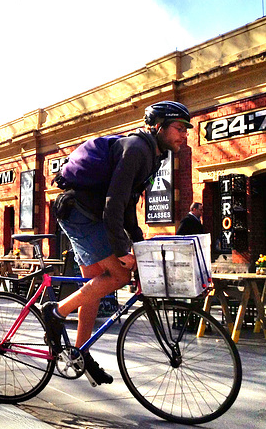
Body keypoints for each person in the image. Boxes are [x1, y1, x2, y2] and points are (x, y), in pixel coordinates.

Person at [44, 101, 193, 386]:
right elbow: (114, 204)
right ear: (159, 127)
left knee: (93, 285)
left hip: (90, 214)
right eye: (178, 127)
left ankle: (80, 352)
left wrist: (138, 244)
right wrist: (123, 251)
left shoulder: (153, 155)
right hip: (81, 214)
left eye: (186, 129)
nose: (184, 134)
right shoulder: (137, 149)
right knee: (119, 275)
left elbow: (127, 206)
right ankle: (56, 311)